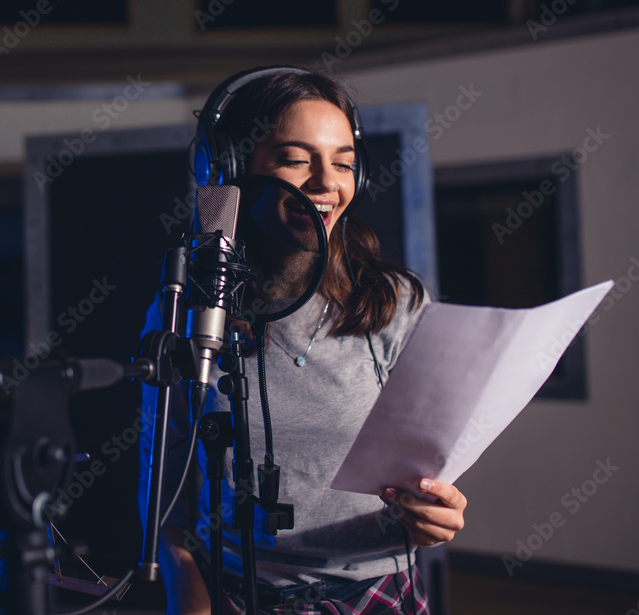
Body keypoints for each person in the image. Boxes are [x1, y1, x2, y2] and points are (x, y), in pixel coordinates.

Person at [138, 67, 468, 615]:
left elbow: (431, 475)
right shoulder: (187, 312)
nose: (326, 182)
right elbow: (163, 481)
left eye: (343, 162)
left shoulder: (397, 302)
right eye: (296, 159)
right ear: (235, 170)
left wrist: (438, 513)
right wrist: (186, 591)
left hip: (378, 593)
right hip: (238, 594)